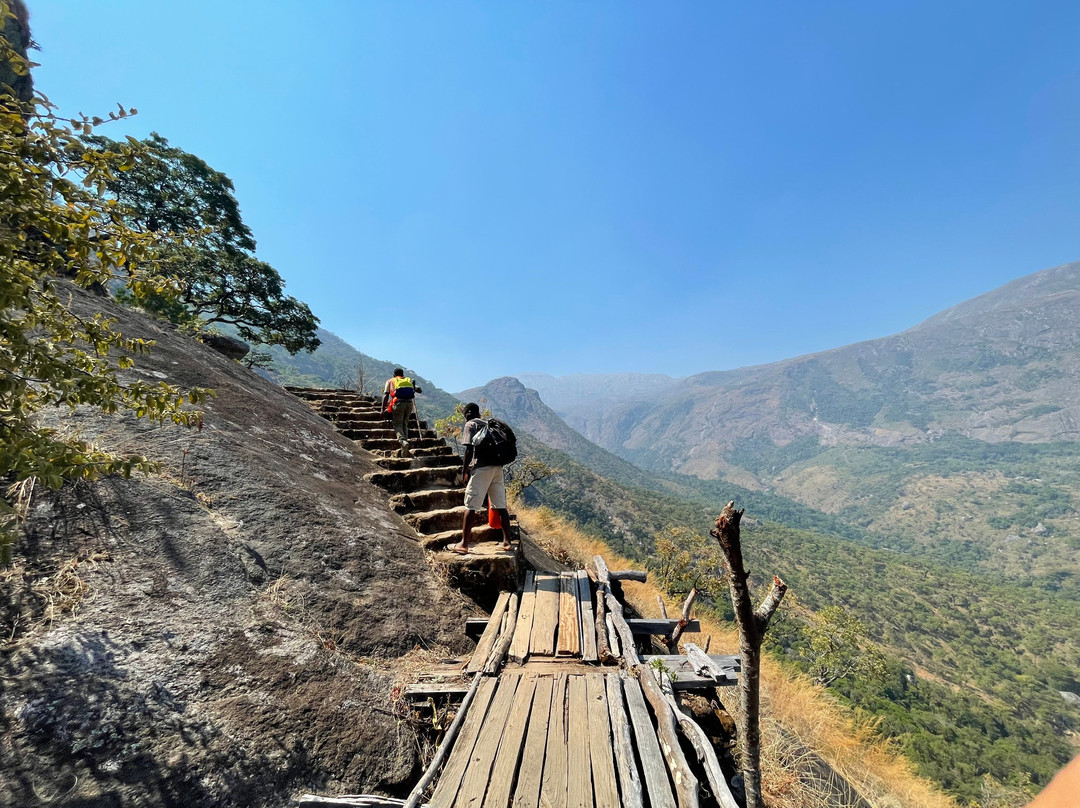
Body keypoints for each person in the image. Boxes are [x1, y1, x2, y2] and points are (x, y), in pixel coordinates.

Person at [450, 402, 513, 554]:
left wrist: (464, 471)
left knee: (470, 505)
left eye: (465, 414)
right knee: (500, 506)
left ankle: (463, 544)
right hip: (497, 468)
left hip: (482, 468)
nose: (465, 417)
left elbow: (468, 450)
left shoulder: (471, 425)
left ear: (469, 413)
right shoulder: (488, 424)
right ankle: (507, 542)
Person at [381, 369, 422, 454]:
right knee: (405, 424)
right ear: (403, 375)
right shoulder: (408, 380)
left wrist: (382, 409)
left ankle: (403, 441)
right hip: (409, 403)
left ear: (394, 375)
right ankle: (404, 449)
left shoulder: (390, 381)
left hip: (398, 403)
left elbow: (386, 395)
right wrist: (413, 386)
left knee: (397, 424)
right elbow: (419, 390)